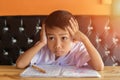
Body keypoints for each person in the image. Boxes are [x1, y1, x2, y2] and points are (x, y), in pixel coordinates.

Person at [16, 10, 104, 71]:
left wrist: (84, 39)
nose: (57, 45)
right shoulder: (43, 47)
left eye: (64, 38)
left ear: (74, 38)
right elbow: (20, 64)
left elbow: (99, 67)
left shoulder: (78, 48)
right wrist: (41, 43)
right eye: (51, 38)